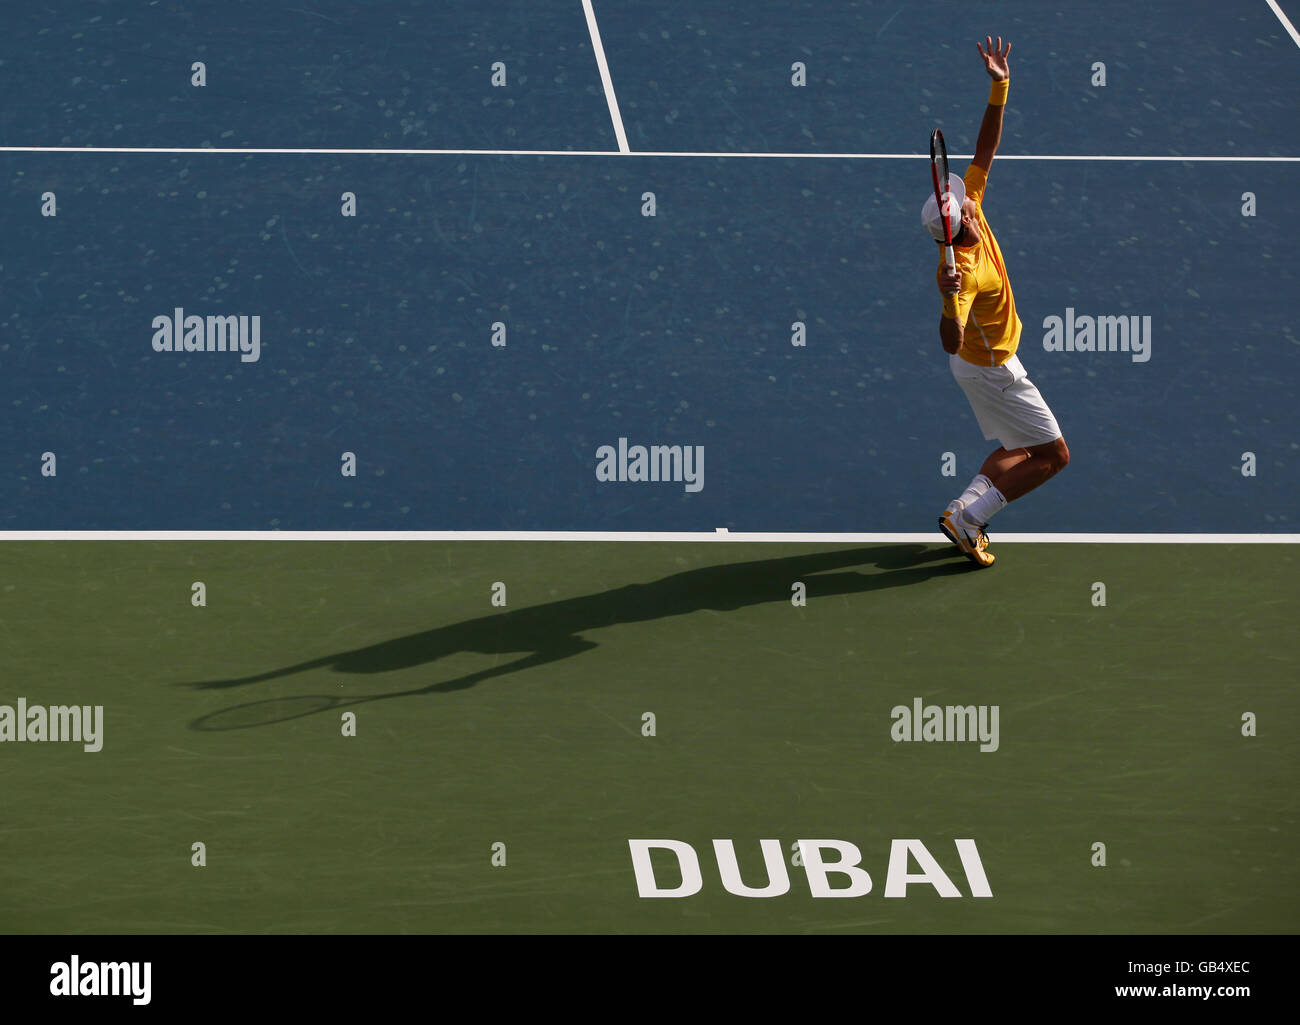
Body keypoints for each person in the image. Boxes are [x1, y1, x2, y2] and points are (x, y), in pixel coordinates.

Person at [925, 36, 1069, 568]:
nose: (966, 191)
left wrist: (1000, 85)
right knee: (1053, 456)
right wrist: (947, 302)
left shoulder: (972, 207)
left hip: (987, 363)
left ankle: (963, 510)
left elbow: (985, 149)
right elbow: (951, 339)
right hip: (991, 368)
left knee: (1016, 446)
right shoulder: (960, 271)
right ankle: (969, 520)